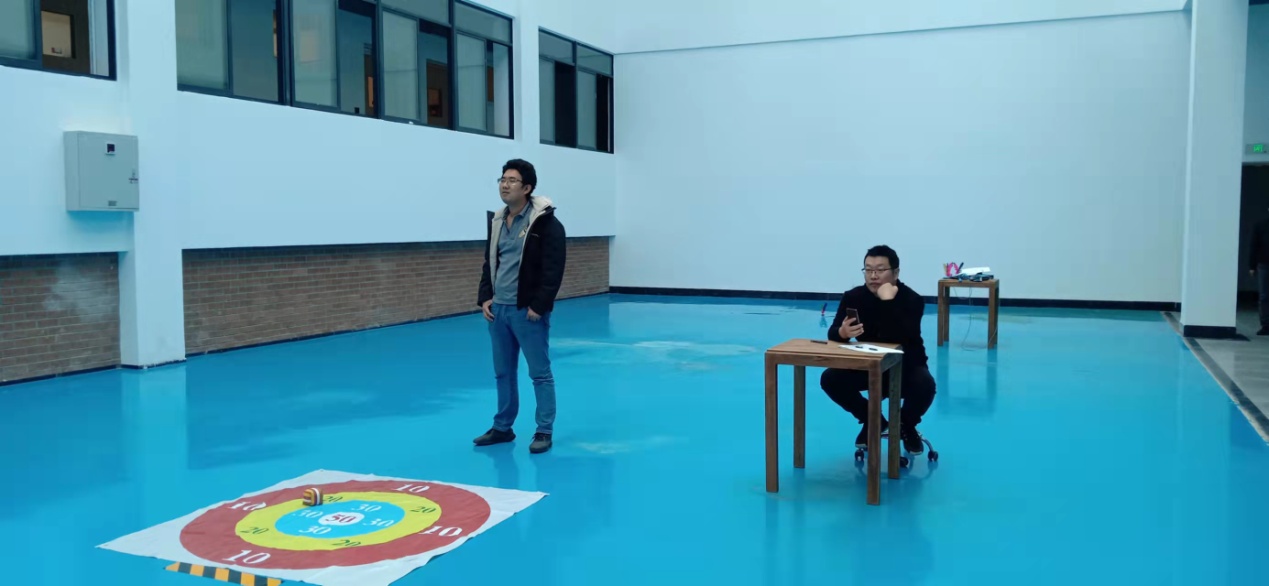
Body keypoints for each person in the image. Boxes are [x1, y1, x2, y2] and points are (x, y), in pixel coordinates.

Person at [473, 159, 567, 454]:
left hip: (527, 311)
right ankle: (503, 427)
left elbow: (554, 269)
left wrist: (539, 305)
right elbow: (490, 262)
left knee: (539, 373)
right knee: (503, 373)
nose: (505, 185)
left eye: (512, 180)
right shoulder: (497, 221)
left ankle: (544, 430)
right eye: (502, 179)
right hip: (498, 311)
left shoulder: (545, 224)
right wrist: (485, 297)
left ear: (527, 188)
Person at [821, 245, 936, 454]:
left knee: (925, 385)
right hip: (868, 366)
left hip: (905, 366)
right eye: (868, 270)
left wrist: (888, 301)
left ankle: (905, 425)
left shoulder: (912, 299)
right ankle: (872, 419)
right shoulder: (853, 297)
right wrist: (842, 333)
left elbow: (902, 335)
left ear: (896, 272)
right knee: (830, 379)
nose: (873, 275)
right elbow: (833, 333)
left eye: (880, 270)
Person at [1248, 214, 1269, 335]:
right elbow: (1254, 245)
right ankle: (1266, 325)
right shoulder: (1260, 226)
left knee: (1264, 296)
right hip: (1264, 264)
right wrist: (1252, 265)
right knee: (1264, 296)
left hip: (1263, 264)